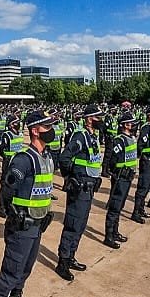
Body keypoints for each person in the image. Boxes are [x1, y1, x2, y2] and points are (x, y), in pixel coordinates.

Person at [0, 110, 58, 297]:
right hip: (23, 222)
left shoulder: (47, 156)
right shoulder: (24, 158)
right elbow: (8, 187)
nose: (51, 130)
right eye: (47, 127)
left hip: (38, 221)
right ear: (35, 130)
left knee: (27, 264)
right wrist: (12, 213)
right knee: (13, 266)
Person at [56, 106, 105, 281]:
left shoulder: (93, 136)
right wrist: (71, 178)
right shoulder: (80, 136)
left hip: (89, 187)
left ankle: (71, 257)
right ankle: (62, 261)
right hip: (80, 187)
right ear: (90, 119)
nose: (101, 120)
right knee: (73, 224)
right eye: (98, 117)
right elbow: (64, 158)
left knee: (81, 224)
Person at [103, 112, 138, 247]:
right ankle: (109, 235)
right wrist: (116, 172)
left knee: (120, 206)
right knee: (114, 207)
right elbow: (113, 159)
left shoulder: (132, 138)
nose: (133, 125)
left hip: (128, 177)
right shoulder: (119, 140)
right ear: (124, 125)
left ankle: (115, 232)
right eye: (130, 123)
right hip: (120, 177)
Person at [132, 106, 150, 221]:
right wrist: (143, 156)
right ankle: (136, 212)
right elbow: (141, 144)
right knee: (143, 186)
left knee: (147, 186)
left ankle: (141, 209)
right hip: (146, 160)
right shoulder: (146, 127)